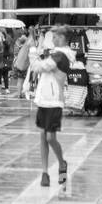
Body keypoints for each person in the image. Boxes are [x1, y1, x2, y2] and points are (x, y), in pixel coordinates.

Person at [31, 35, 73, 187]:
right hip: (43, 99)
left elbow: (37, 67)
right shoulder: (53, 55)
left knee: (50, 137)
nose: (53, 38)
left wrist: (33, 50)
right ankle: (45, 173)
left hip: (55, 101)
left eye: (56, 36)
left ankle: (62, 163)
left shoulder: (61, 56)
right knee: (42, 135)